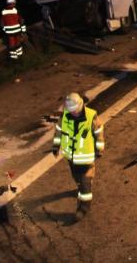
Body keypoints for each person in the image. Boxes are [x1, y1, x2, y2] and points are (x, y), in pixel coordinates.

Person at [52, 93, 105, 221]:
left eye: (75, 110)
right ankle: (81, 186)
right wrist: (55, 146)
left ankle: (83, 209)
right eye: (71, 110)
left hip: (86, 159)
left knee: (85, 186)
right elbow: (58, 132)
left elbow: (98, 133)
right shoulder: (64, 117)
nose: (74, 113)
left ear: (81, 105)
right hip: (72, 158)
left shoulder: (91, 116)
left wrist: (99, 148)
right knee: (77, 179)